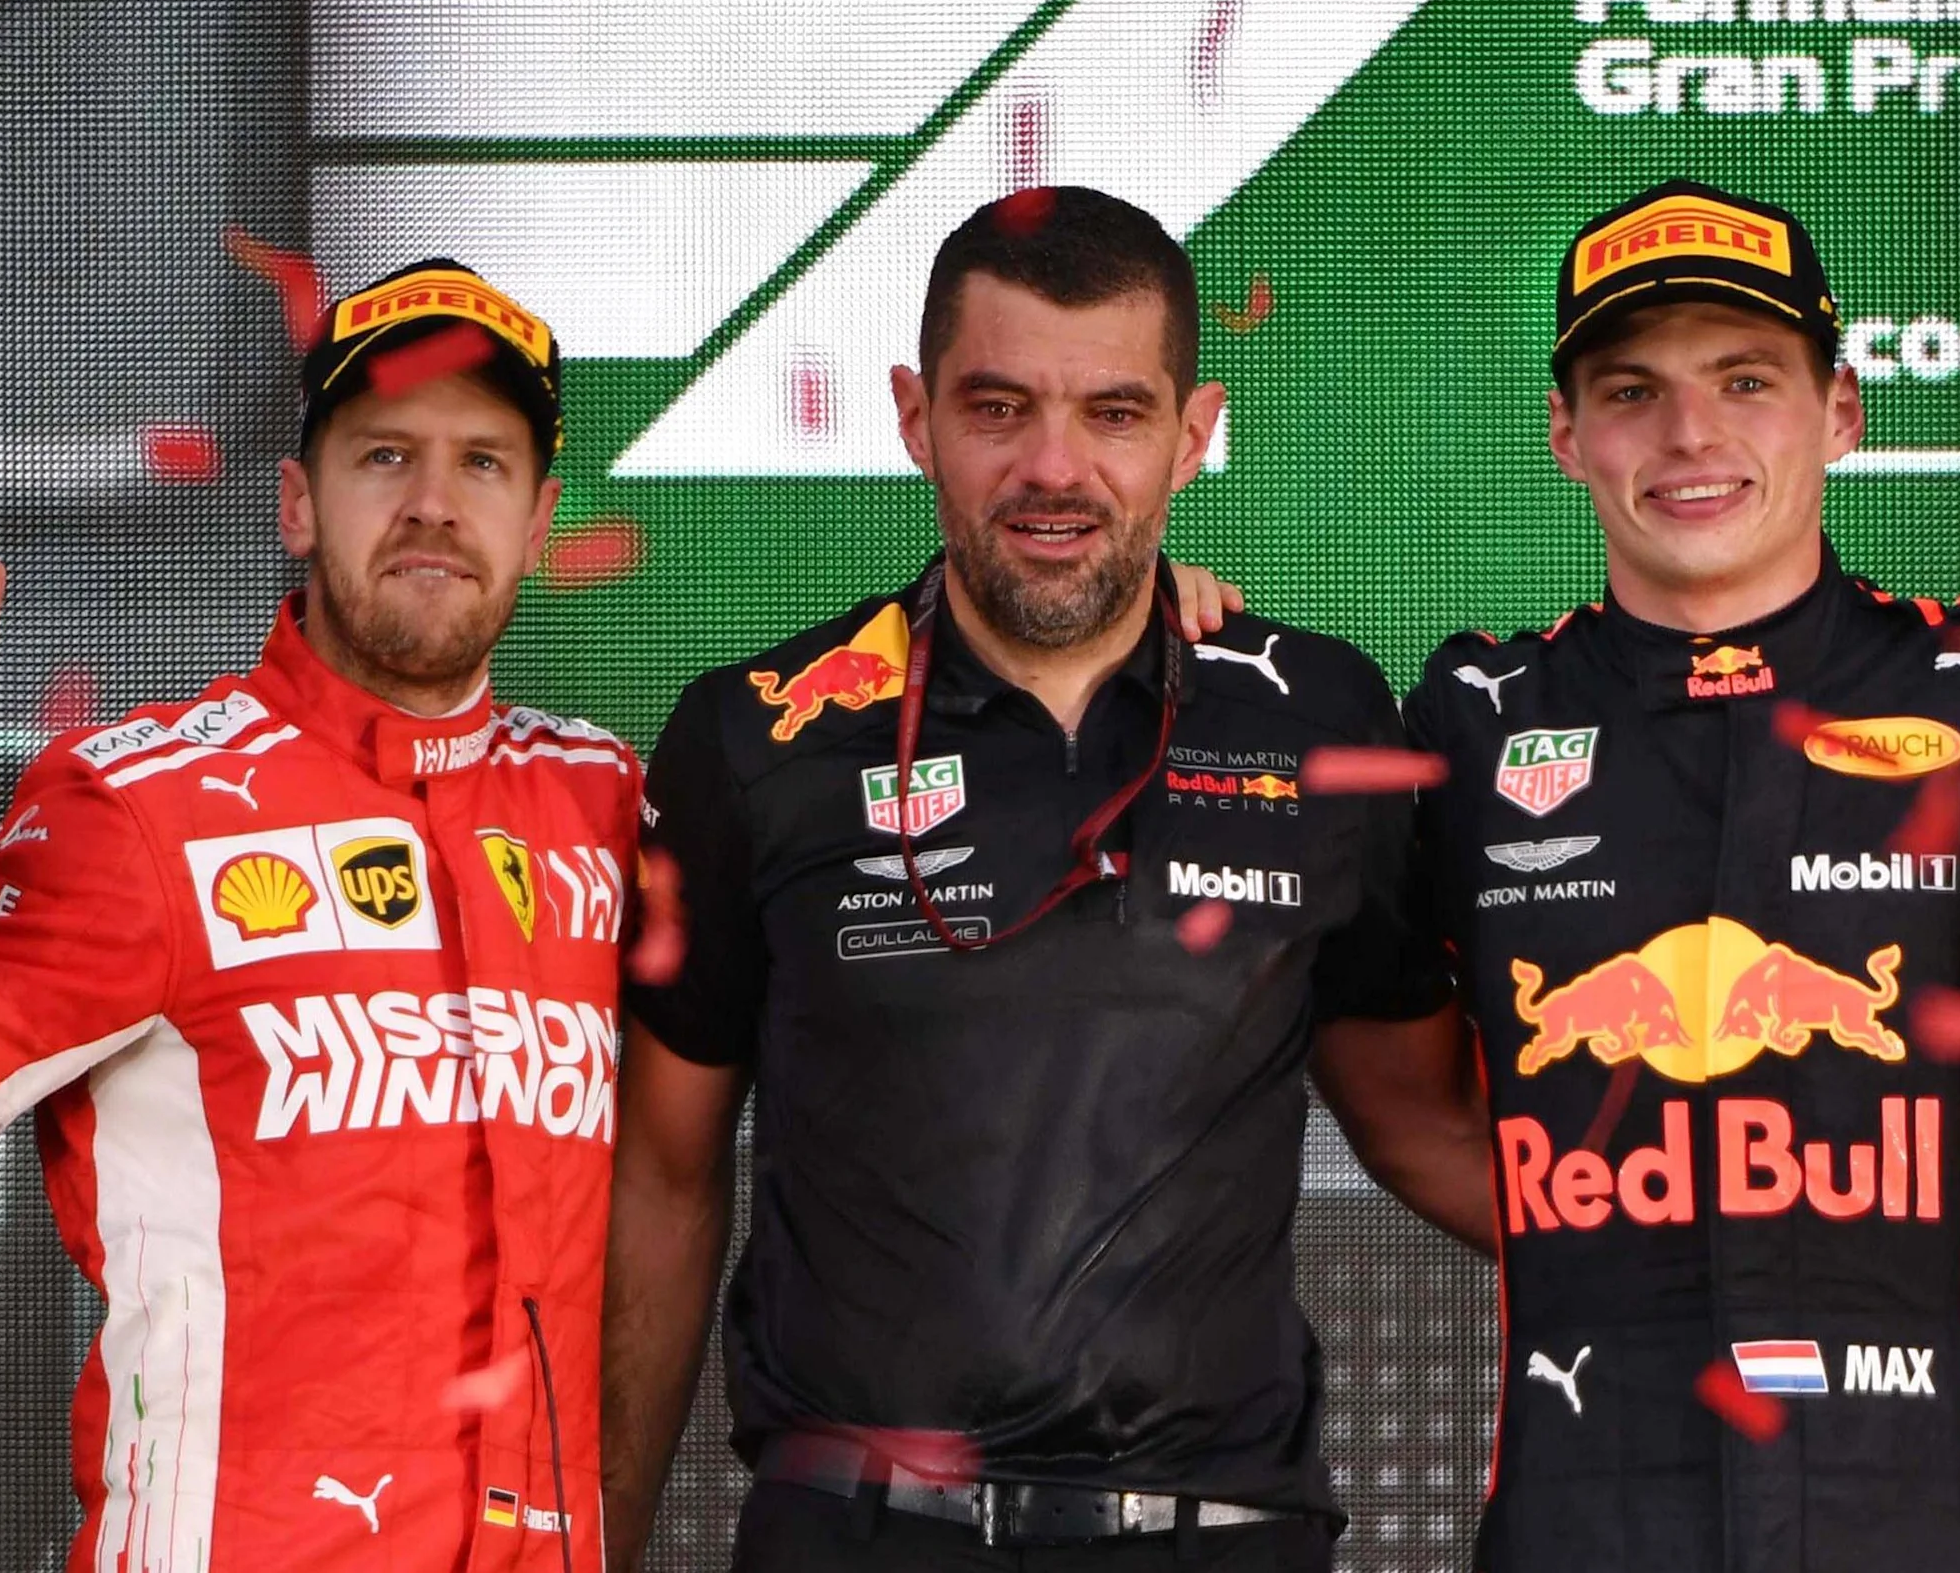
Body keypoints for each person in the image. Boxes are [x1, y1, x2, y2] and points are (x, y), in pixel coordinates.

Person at [600, 186, 1480, 1572]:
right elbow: (659, 1179)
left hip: (1219, 1537)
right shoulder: (755, 735)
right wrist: (603, 1539)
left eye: (1115, 415)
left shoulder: (1315, 715)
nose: (1053, 469)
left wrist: (1721, 1262)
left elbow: (1427, 1127)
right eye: (999, 408)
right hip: (857, 1534)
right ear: (914, 417)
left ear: (1195, 436)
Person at [0, 262, 642, 1567]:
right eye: (384, 455)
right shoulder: (142, 809)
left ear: (541, 521)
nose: (433, 504)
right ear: (297, 504)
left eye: (481, 464)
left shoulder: (606, 804)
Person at [1393, 180, 1960, 1570]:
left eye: (1746, 380)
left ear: (1842, 412)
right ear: (1568, 436)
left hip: (1919, 1512)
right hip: (1585, 1513)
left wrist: (1935, 1255)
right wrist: (1637, 1223)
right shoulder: (1473, 721)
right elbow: (1387, 1071)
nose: (1690, 435)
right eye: (1632, 391)